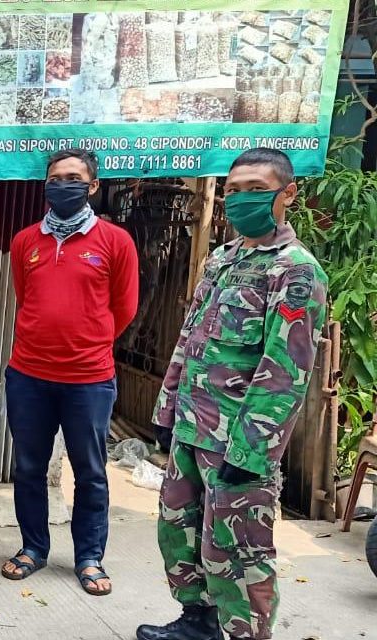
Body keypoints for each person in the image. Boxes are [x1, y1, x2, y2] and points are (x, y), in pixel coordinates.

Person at [138, 149, 327, 640]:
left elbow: (287, 369)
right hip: (191, 428)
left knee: (238, 549)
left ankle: (245, 634)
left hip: (239, 440)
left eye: (255, 190)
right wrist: (167, 409)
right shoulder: (223, 258)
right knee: (179, 532)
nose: (240, 199)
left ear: (288, 193)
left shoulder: (295, 271)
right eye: (234, 191)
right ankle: (197, 622)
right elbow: (190, 337)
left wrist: (253, 450)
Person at [1, 149, 139, 597]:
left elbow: (124, 309)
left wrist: (86, 342)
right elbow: (26, 299)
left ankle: (89, 558)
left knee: (91, 472)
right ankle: (33, 548)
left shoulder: (116, 241)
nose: (63, 184)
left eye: (74, 178)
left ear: (92, 186)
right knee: (27, 467)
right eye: (56, 178)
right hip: (28, 374)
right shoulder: (25, 241)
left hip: (89, 379)